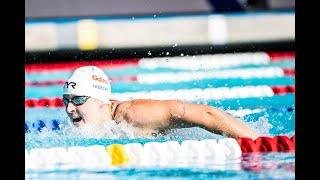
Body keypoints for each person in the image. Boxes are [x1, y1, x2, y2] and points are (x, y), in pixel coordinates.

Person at [63, 66, 259, 140]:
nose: (69, 108)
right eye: (66, 100)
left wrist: (258, 143)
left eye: (78, 100)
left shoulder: (133, 115)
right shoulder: (100, 119)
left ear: (100, 100)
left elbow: (208, 114)